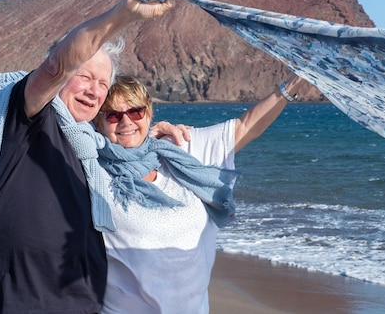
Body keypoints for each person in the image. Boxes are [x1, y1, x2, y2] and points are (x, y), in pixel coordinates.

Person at [0, 0, 180, 313]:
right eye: (84, 76)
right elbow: (56, 65)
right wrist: (123, 14)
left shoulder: (90, 146)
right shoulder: (28, 118)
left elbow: (126, 142)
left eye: (103, 83)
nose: (94, 90)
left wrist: (153, 134)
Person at [92, 74, 307, 314]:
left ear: (149, 112)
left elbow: (246, 127)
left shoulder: (179, 150)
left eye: (135, 112)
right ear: (98, 123)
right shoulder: (90, 172)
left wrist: (298, 80)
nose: (125, 122)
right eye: (113, 115)